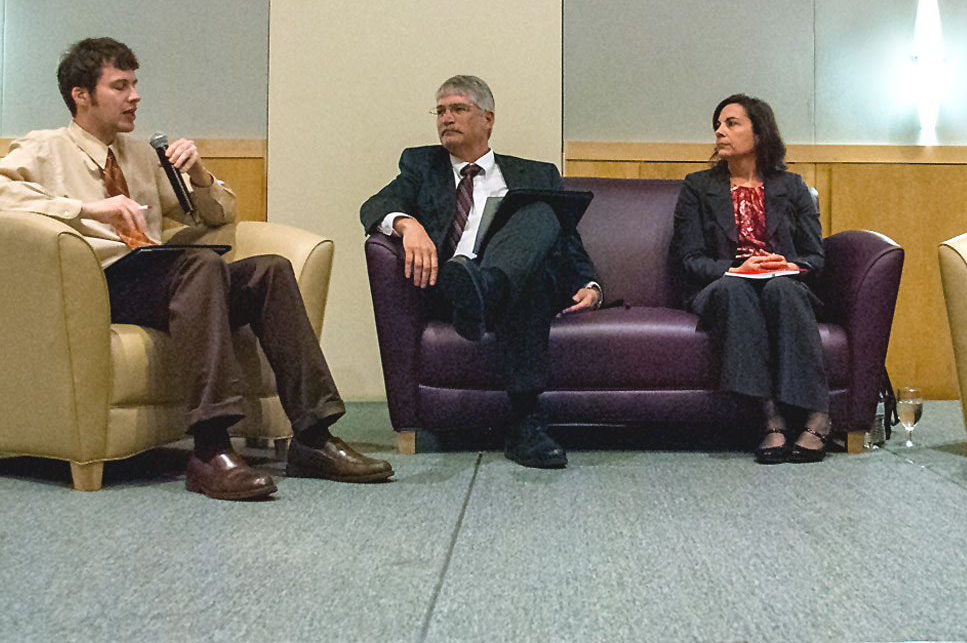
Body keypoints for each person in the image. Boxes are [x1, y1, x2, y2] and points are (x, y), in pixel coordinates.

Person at [0, 37, 393, 500]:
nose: (135, 97)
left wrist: (201, 176)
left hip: (163, 277)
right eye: (120, 86)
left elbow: (217, 215)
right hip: (99, 281)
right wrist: (87, 208)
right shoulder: (46, 148)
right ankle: (209, 450)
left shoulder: (143, 154)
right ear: (80, 96)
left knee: (269, 271)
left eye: (135, 84)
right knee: (200, 267)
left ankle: (312, 436)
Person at [359, 75, 600, 469]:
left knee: (538, 220)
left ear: (487, 118)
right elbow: (375, 205)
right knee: (526, 282)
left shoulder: (535, 173)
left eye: (458, 109)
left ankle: (489, 288)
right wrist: (408, 225)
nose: (446, 119)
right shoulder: (422, 166)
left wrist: (589, 284)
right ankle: (526, 423)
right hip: (449, 281)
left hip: (505, 277)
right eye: (440, 111)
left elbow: (566, 240)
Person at [670, 94, 830, 464]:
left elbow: (814, 257)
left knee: (782, 290)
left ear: (759, 133)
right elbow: (690, 259)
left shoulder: (792, 187)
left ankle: (818, 414)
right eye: (718, 125)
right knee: (735, 289)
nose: (719, 132)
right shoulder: (697, 187)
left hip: (782, 282)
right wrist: (736, 269)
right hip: (723, 284)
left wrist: (782, 263)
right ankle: (770, 419)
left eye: (731, 123)